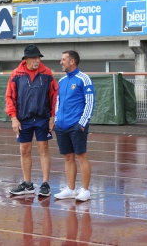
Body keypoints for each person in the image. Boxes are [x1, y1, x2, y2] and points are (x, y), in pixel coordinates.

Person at [5, 44, 58, 197]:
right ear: (26, 59)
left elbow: (54, 96)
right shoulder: (16, 74)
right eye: (34, 58)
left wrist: (53, 117)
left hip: (42, 118)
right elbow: (10, 97)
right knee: (24, 150)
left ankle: (45, 184)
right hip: (23, 119)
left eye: (38, 57)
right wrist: (14, 118)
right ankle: (27, 184)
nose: (37, 60)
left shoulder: (47, 73)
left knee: (43, 149)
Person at [54, 50, 95, 202]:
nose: (61, 62)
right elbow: (58, 102)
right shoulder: (61, 81)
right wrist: (57, 120)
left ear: (72, 61)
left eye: (63, 59)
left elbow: (90, 102)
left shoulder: (83, 79)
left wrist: (82, 123)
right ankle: (71, 189)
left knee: (81, 156)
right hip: (62, 125)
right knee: (68, 157)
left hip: (77, 125)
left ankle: (85, 190)